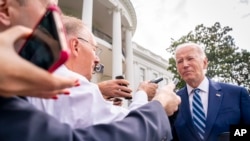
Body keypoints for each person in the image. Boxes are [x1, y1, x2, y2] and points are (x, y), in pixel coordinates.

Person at [0, 0, 181, 140]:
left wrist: (98, 91)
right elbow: (129, 129)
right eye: (45, 5)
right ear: (5, 9)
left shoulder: (19, 84)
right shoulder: (67, 83)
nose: (56, 13)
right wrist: (159, 103)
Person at [28, 15, 159, 128]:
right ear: (75, 46)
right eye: (94, 50)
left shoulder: (37, 76)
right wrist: (143, 93)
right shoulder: (73, 84)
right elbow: (134, 127)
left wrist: (102, 103)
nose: (97, 59)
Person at [170, 42, 250, 141]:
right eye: (180, 61)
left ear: (204, 63)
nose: (185, 65)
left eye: (190, 58)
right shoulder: (173, 101)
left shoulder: (237, 94)